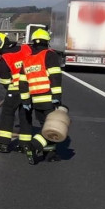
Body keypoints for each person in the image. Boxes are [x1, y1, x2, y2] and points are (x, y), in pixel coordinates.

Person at [20, 28, 64, 164]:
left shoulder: (27, 59)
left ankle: (50, 154)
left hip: (35, 101)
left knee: (44, 125)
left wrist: (25, 100)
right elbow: (55, 76)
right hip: (49, 98)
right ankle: (33, 146)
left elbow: (23, 82)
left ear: (33, 42)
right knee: (52, 127)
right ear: (47, 42)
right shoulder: (49, 55)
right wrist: (57, 96)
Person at [0, 32, 33, 153]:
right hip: (32, 88)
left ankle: (3, 144)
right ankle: (25, 145)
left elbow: (5, 82)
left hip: (15, 90)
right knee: (25, 116)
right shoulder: (26, 48)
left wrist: (11, 91)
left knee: (8, 114)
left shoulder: (4, 60)